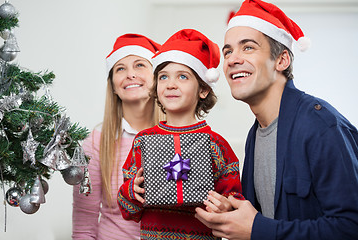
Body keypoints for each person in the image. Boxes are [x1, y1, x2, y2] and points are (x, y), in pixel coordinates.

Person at [195, 0, 358, 239]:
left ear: (281, 61)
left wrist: (256, 229)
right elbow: (267, 216)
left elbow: (350, 227)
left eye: (247, 47)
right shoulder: (257, 133)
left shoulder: (321, 126)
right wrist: (233, 213)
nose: (231, 59)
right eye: (228, 51)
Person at [117, 29, 245, 239]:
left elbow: (234, 199)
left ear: (203, 90)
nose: (171, 84)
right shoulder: (143, 141)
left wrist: (226, 205)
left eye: (183, 76)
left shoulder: (216, 145)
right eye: (163, 77)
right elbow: (128, 211)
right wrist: (132, 191)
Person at [72, 34, 161, 240]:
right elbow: (84, 224)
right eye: (120, 68)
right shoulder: (94, 143)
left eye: (140, 65)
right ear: (112, 85)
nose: (130, 74)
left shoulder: (181, 137)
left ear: (156, 76)